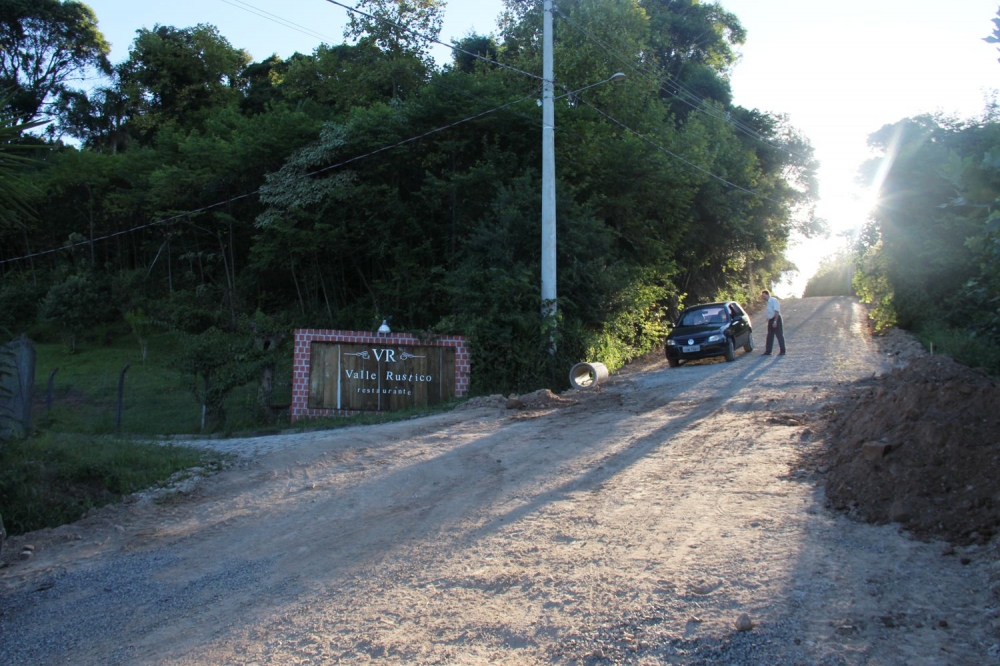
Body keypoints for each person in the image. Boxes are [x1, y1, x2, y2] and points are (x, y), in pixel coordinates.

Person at [760, 289, 785, 355]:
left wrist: (775, 321)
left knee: (779, 335)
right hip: (771, 320)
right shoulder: (767, 302)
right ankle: (768, 351)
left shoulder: (773, 300)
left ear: (767, 294)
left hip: (776, 319)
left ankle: (782, 350)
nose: (763, 297)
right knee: (770, 336)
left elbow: (776, 311)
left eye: (764, 295)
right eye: (762, 296)